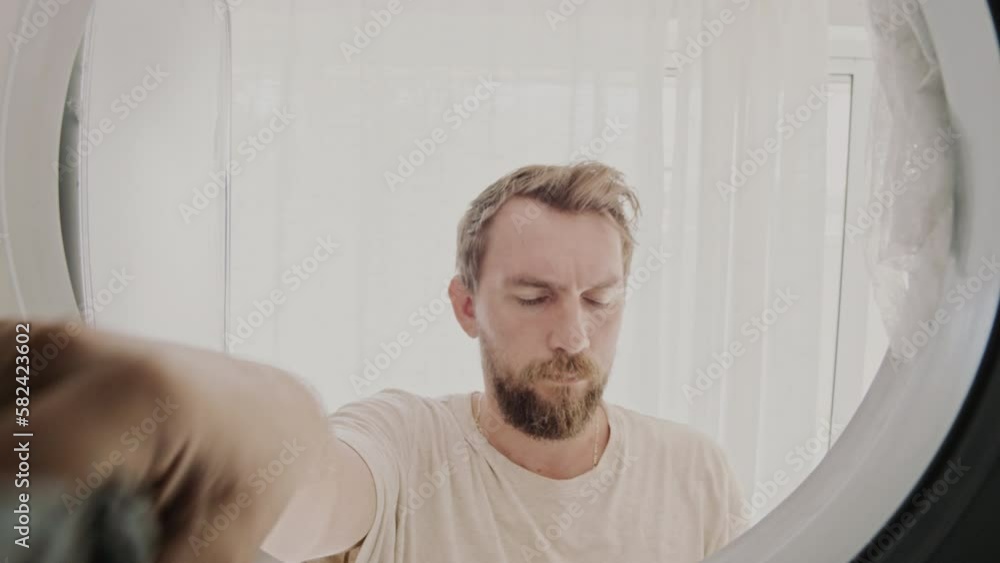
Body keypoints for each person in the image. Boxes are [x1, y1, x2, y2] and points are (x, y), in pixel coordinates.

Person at [1, 162, 746, 563]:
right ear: (466, 305)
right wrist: (256, 426)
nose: (574, 336)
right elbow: (315, 498)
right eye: (534, 297)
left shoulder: (695, 473)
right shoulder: (404, 441)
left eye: (600, 299)